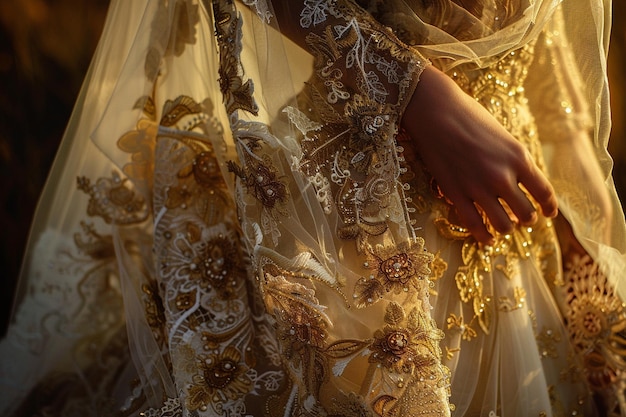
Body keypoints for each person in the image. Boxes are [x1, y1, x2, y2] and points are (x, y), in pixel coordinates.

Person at [1, 0, 625, 415]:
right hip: (356, 230)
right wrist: (409, 90)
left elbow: (542, 39)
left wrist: (582, 207)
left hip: (520, 221)